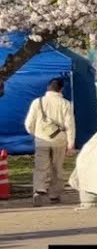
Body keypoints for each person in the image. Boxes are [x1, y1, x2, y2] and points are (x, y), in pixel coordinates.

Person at [25, 78, 76, 207]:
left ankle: (39, 190)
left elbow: (28, 123)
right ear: (61, 89)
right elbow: (70, 125)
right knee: (57, 167)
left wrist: (35, 134)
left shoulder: (37, 102)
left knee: (40, 167)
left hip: (41, 140)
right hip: (59, 140)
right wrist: (71, 144)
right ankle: (55, 194)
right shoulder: (65, 104)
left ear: (48, 88)